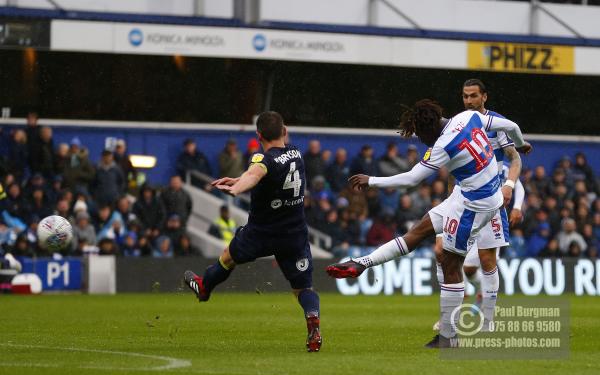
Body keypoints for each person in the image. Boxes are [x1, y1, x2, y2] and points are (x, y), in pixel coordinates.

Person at [325, 99, 531, 348]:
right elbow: (511, 125)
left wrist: (372, 181)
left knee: (449, 263)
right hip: (467, 193)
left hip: (476, 206)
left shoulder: (443, 145)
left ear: (428, 129)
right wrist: (520, 144)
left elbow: (411, 179)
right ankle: (361, 263)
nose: (421, 141)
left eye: (420, 135)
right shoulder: (468, 117)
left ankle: (449, 336)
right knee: (420, 230)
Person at [183, 111, 322, 352]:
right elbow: (260, 175)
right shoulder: (297, 153)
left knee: (227, 258)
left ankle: (205, 287)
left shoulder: (262, 158)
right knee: (303, 289)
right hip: (294, 234)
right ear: (284, 131)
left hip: (262, 232)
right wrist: (239, 179)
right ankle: (312, 319)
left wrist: (237, 188)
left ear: (258, 135)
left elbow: (256, 173)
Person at [432, 79, 526, 328]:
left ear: (484, 97)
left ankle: (489, 317)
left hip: (490, 198)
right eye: (465, 96)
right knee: (442, 252)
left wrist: (509, 186)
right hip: (462, 198)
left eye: (473, 96)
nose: (469, 101)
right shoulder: (458, 123)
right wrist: (452, 194)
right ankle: (449, 316)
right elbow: (452, 166)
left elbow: (515, 159)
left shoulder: (498, 124)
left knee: (487, 259)